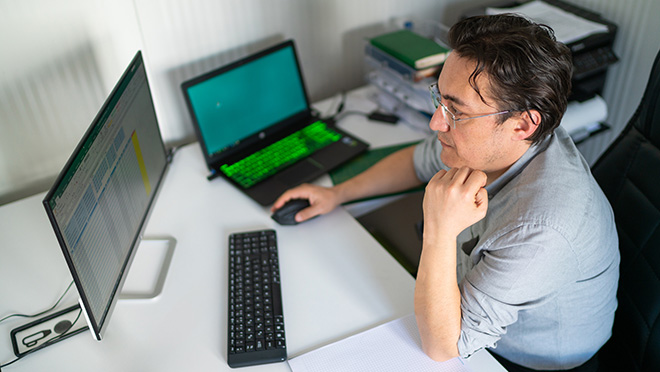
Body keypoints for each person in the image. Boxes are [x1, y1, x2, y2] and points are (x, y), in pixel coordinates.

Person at [272, 14, 619, 372]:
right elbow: (416, 162)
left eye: (456, 110)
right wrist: (338, 193)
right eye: (441, 98)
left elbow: (445, 346)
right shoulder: (490, 141)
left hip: (523, 358)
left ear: (522, 124)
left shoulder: (543, 227)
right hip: (469, 308)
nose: (436, 122)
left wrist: (439, 230)